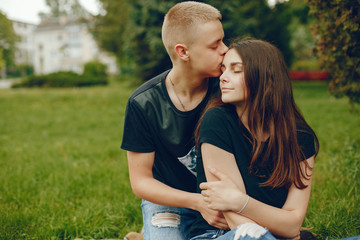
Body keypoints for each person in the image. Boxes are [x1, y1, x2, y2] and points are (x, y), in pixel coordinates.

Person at [188, 38, 320, 240]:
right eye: (223, 69)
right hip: (218, 234)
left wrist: (241, 201)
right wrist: (282, 229)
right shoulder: (217, 122)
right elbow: (234, 220)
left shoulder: (300, 136)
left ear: (265, 77)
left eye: (236, 70)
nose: (223, 77)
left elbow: (293, 223)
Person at [121, 1, 229, 240]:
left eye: (223, 40)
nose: (225, 49)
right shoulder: (143, 103)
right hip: (169, 203)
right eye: (215, 45)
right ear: (183, 52)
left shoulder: (228, 90)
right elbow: (141, 182)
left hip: (222, 200)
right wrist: (197, 202)